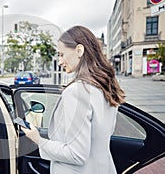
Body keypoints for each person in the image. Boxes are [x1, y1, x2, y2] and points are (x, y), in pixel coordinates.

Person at [21, 25, 125, 174]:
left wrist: (38, 139)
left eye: (62, 54)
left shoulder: (77, 91)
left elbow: (76, 155)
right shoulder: (106, 85)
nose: (60, 61)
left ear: (79, 50)